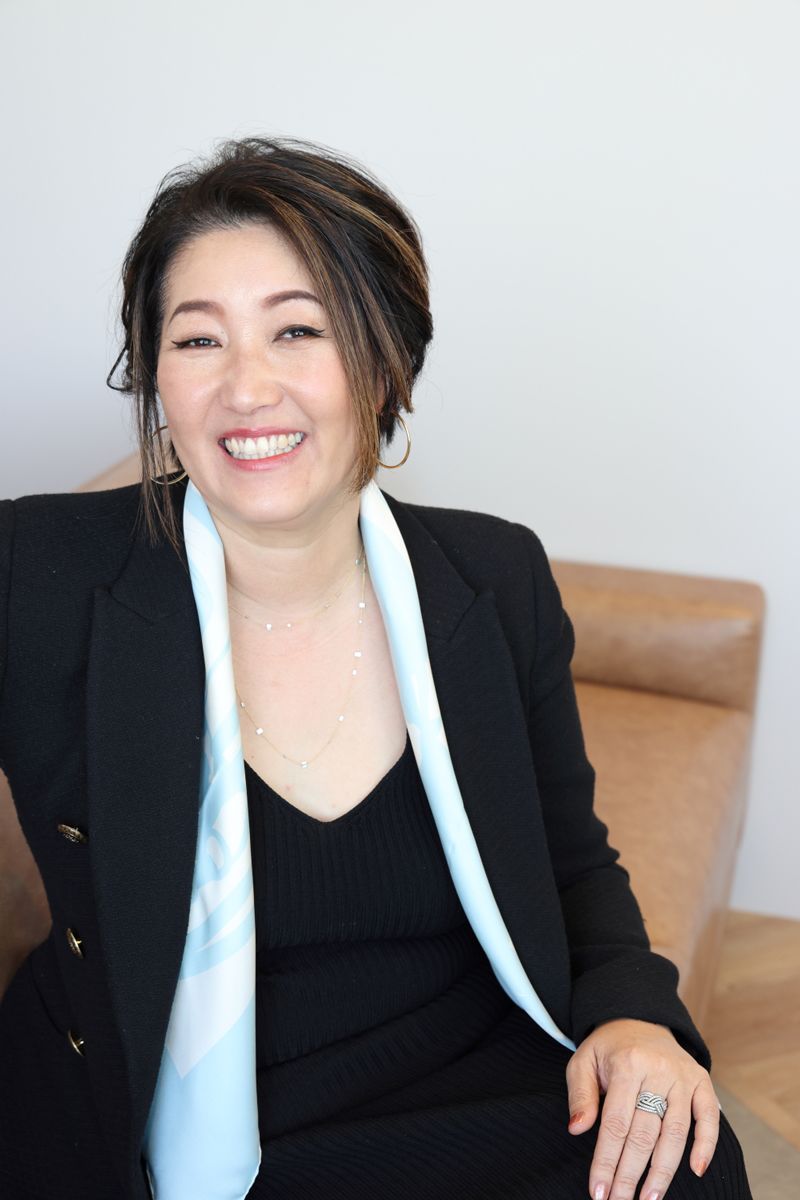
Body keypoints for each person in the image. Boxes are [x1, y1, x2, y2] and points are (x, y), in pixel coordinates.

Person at [0, 136, 751, 1200]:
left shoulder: (494, 576)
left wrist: (637, 1017)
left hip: (468, 1076)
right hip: (188, 1116)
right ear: (155, 376)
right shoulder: (44, 576)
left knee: (686, 1167)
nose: (246, 386)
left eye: (297, 330)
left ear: (385, 357)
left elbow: (573, 861)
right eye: (197, 340)